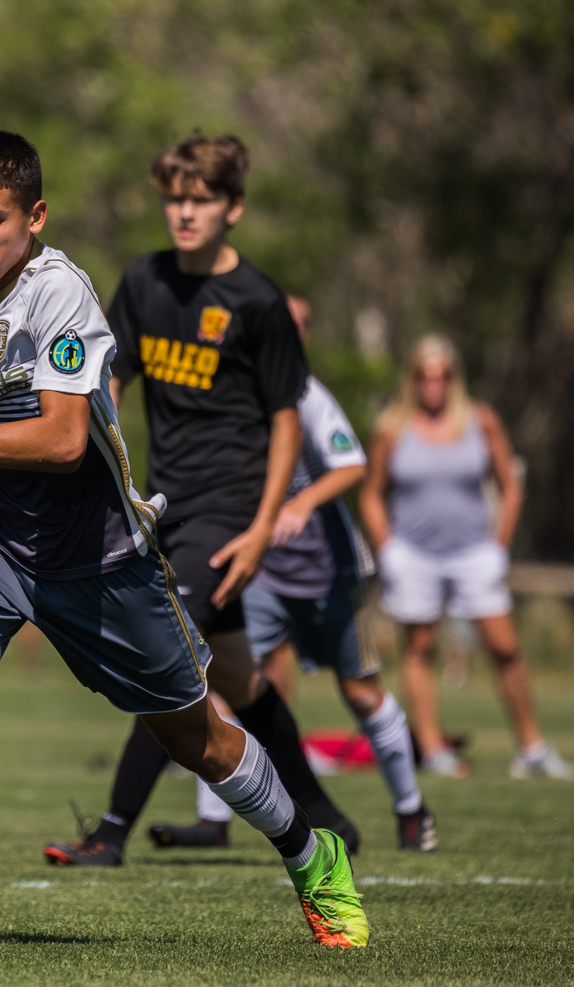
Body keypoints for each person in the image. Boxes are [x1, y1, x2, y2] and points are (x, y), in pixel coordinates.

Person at [0, 131, 368, 948]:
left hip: (101, 554)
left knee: (198, 741)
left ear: (36, 217)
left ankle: (312, 855)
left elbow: (62, 442)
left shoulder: (63, 297)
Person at [43, 132, 359, 869]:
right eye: (174, 198)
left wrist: (260, 527)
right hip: (163, 506)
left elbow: (287, 418)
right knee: (238, 677)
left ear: (233, 208)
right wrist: (100, 455)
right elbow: (107, 374)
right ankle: (326, 813)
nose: (184, 213)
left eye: (201, 200)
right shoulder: (146, 280)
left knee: (165, 657)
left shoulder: (258, 301)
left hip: (228, 512)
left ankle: (111, 834)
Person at [149, 301, 435, 852]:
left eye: (300, 325)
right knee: (227, 678)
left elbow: (352, 465)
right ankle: (216, 819)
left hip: (328, 572)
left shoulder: (307, 394)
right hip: (262, 572)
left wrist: (300, 507)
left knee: (360, 692)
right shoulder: (230, 394)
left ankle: (411, 810)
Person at [359, 335, 574, 780]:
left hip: (474, 552)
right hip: (414, 554)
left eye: (442, 375)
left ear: (455, 377)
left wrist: (500, 545)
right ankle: (434, 750)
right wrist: (387, 548)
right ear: (413, 378)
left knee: (505, 647)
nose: (433, 384)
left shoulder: (481, 420)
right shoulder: (392, 426)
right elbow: (371, 495)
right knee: (419, 648)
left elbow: (510, 485)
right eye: (424, 375)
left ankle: (532, 749)